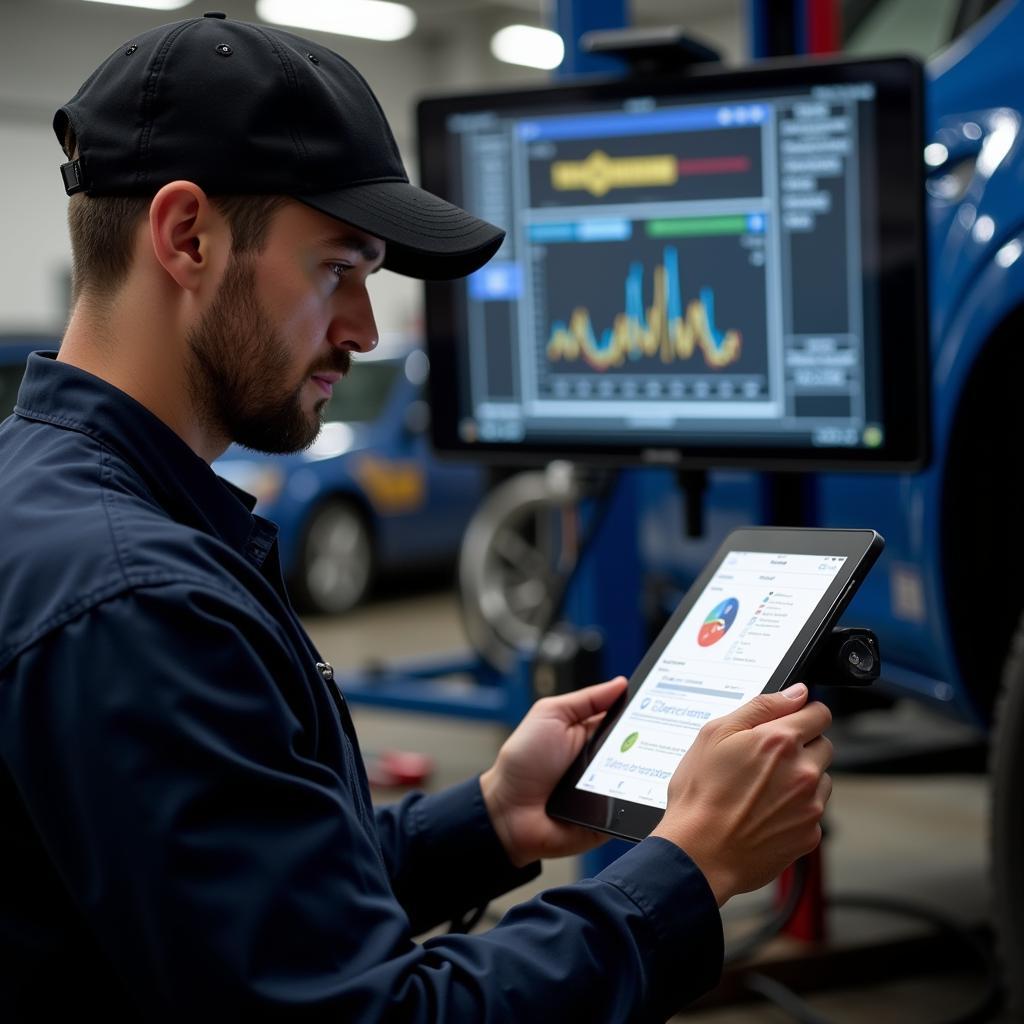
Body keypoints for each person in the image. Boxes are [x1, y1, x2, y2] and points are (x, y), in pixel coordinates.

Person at [0, 14, 833, 1021]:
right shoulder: (136, 600)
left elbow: (255, 915)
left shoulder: (53, 505)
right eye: (338, 268)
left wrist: (489, 819)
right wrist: (688, 868)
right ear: (187, 237)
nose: (360, 327)